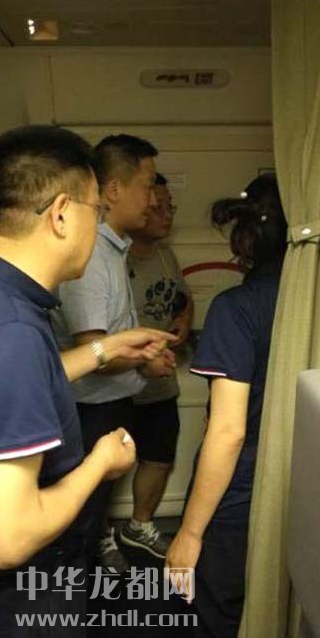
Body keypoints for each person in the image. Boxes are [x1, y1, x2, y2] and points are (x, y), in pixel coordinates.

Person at [0, 125, 175, 638]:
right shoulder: (7, 332)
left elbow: (21, 381)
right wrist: (101, 463)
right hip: (21, 606)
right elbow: (9, 539)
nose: (98, 226)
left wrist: (106, 349)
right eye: (95, 211)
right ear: (61, 214)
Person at [166, 174, 287, 638]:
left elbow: (228, 431)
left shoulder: (237, 308)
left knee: (216, 620)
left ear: (244, 239)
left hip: (238, 500)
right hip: (297, 490)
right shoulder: (318, 302)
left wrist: (190, 532)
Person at [52, 135, 176, 573]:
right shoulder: (92, 259)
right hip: (92, 409)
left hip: (112, 402)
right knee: (82, 518)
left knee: (93, 507)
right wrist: (144, 360)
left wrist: (145, 358)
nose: (154, 198)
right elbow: (92, 350)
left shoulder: (113, 249)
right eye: (147, 184)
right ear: (114, 190)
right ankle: (76, 601)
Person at [120, 173, 193, 558]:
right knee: (105, 466)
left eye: (170, 207)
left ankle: (140, 525)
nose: (166, 214)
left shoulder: (165, 255)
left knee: (160, 456)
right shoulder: (112, 259)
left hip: (161, 381)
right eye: (157, 206)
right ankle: (100, 536)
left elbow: (182, 299)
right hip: (119, 384)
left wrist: (183, 322)